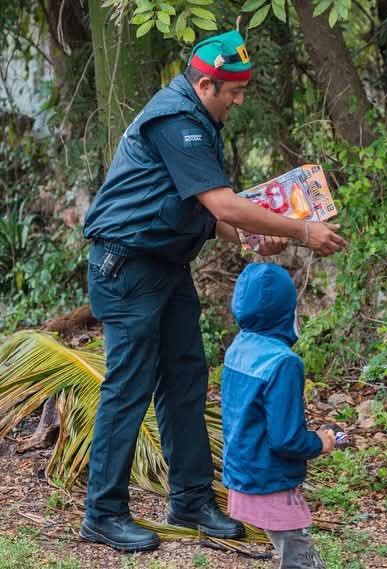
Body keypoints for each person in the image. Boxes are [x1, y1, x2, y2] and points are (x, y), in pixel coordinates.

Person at [80, 30, 347, 552]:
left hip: (166, 266)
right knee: (128, 388)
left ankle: (191, 499)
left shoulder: (199, 117)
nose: (240, 100)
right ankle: (103, 512)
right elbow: (222, 204)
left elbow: (205, 209)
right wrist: (301, 230)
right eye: (234, 91)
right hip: (128, 269)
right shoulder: (177, 120)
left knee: (185, 381)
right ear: (206, 84)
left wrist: (254, 236)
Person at [221, 263, 333, 569]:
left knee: (293, 550)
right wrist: (319, 443)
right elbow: (286, 438)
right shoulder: (283, 363)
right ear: (286, 310)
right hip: (270, 478)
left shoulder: (239, 346)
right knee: (300, 560)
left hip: (241, 470)